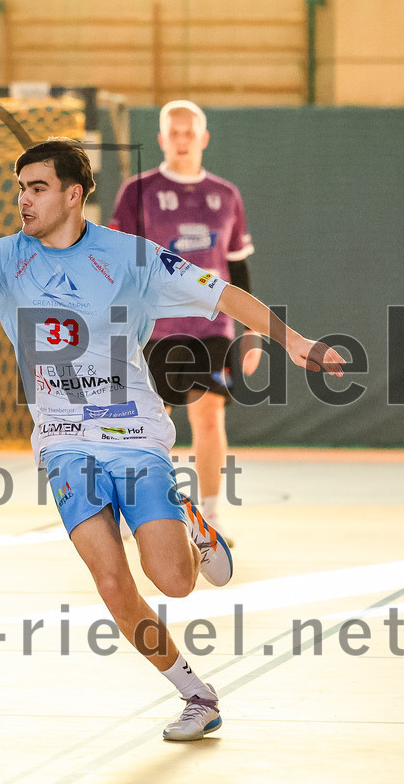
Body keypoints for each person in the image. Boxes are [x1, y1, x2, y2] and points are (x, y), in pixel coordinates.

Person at [0, 138, 344, 741]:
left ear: (73, 195)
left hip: (132, 433)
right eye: (21, 188)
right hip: (62, 441)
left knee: (175, 581)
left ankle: (192, 523)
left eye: (37, 188)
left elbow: (222, 292)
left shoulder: (130, 256)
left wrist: (294, 341)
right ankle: (196, 694)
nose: (24, 200)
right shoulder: (4, 259)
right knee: (111, 581)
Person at [110, 100, 260, 541]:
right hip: (154, 329)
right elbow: (117, 263)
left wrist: (252, 330)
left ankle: (210, 516)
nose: (181, 140)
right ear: (161, 139)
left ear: (203, 138)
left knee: (210, 416)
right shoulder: (137, 191)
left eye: (189, 133)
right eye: (173, 133)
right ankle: (143, 512)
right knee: (149, 424)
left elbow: (238, 267)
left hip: (212, 328)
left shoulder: (225, 195)